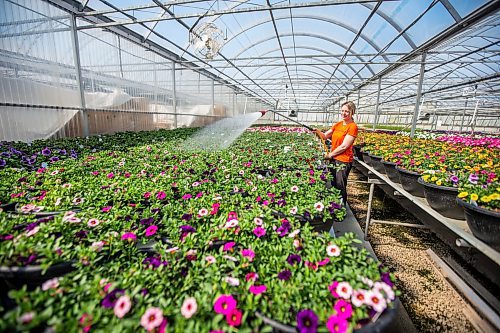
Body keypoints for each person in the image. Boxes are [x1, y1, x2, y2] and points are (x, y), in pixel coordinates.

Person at [314, 101, 358, 205]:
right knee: (333, 183)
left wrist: (330, 154)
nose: (344, 113)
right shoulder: (338, 124)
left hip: (343, 160)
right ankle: (334, 206)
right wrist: (317, 131)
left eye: (347, 111)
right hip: (333, 158)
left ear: (352, 112)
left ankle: (341, 208)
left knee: (340, 185)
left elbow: (344, 146)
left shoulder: (352, 127)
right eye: (342, 111)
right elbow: (325, 136)